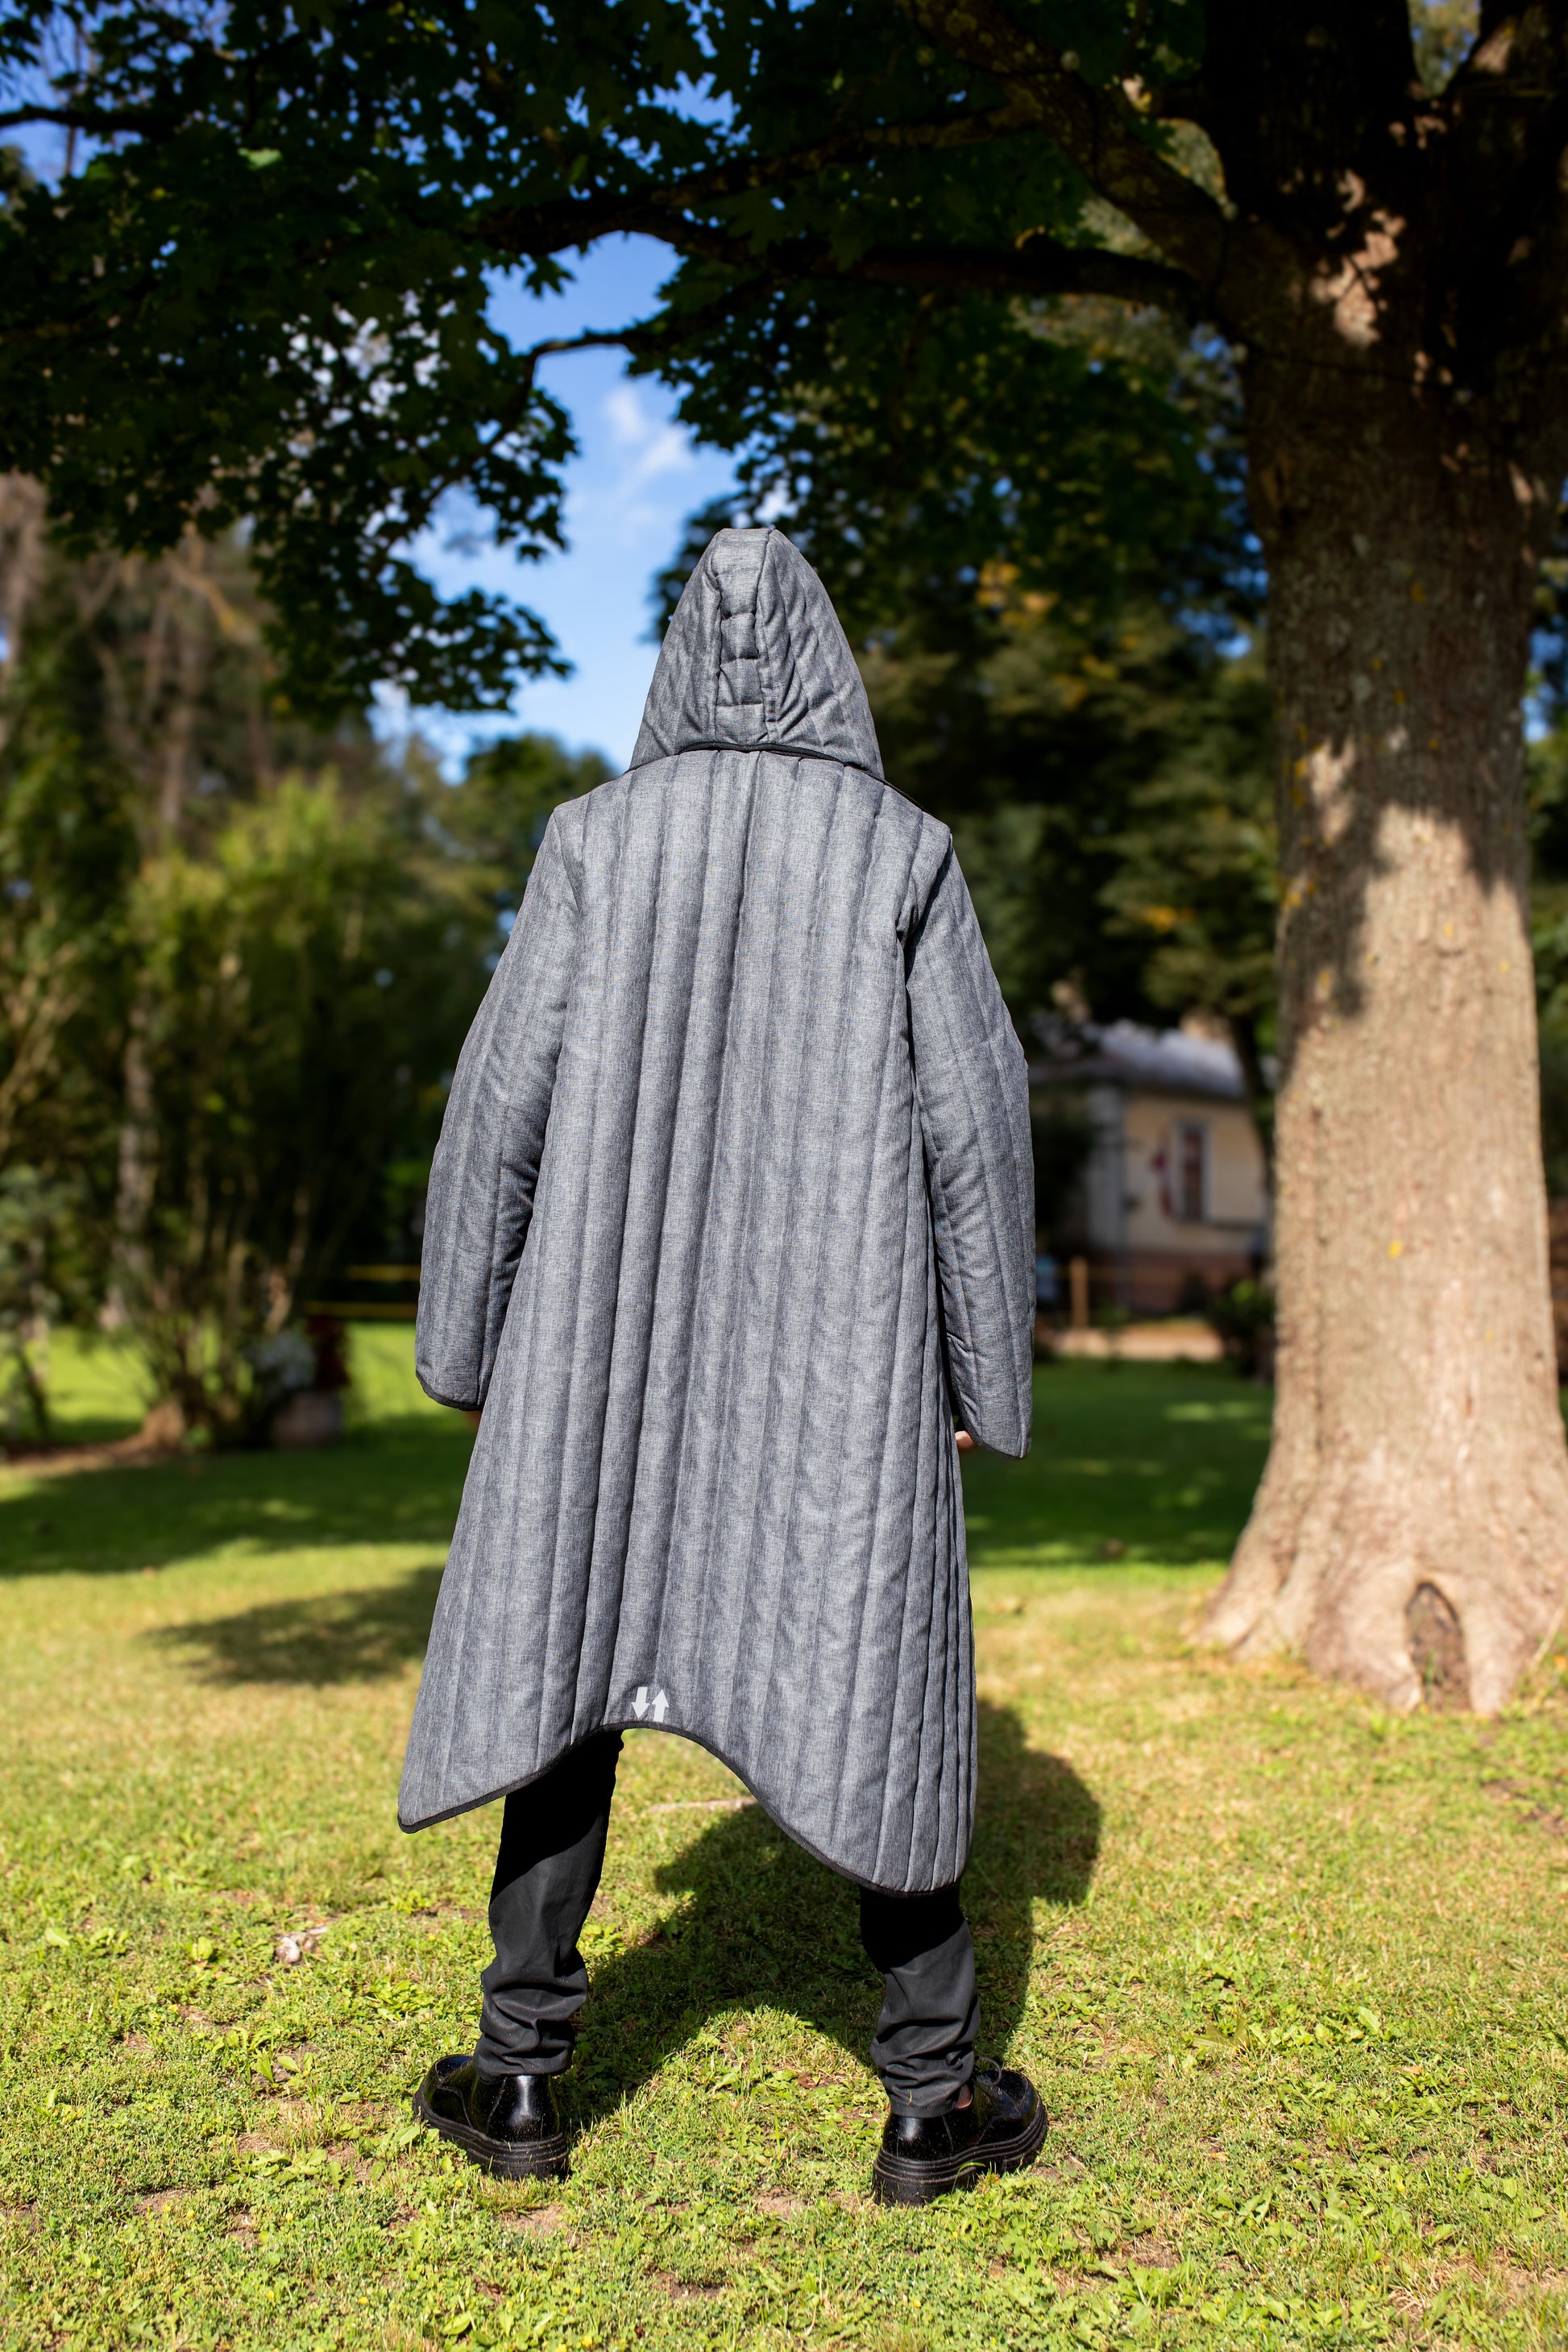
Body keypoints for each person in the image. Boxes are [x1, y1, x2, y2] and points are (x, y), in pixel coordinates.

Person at [401, 527, 1041, 2206]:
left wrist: (462, 1343)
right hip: (840, 1362)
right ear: (831, 660)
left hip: (599, 1354)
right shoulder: (900, 847)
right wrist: (984, 1378)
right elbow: (974, 1130)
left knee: (567, 1673)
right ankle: (930, 2096)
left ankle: (521, 2072)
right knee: (872, 1677)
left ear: (680, 658)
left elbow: (498, 1104)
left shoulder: (593, 841)